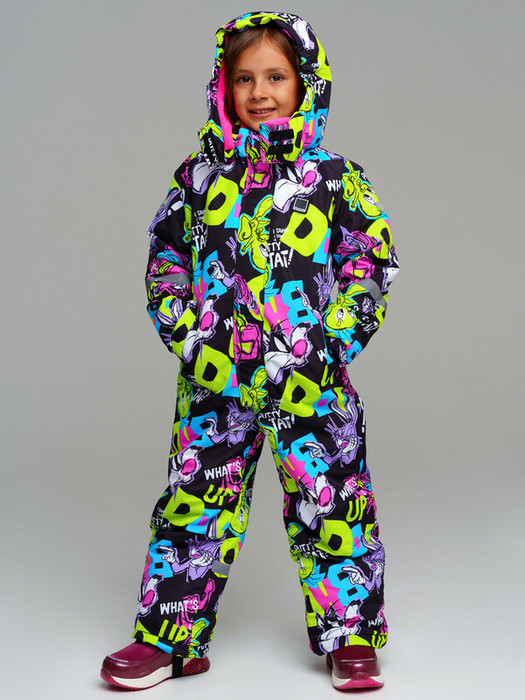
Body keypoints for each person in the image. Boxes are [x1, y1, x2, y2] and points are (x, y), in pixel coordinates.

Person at [101, 10, 399, 692]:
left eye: (275, 77)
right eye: (243, 79)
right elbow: (166, 261)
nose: (259, 92)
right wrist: (188, 335)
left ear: (307, 84)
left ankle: (351, 636)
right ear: (222, 87)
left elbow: (369, 264)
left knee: (333, 504)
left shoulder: (336, 179)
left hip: (312, 383)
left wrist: (332, 343)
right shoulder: (197, 178)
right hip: (216, 383)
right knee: (193, 505)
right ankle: (170, 639)